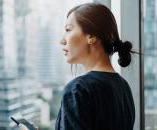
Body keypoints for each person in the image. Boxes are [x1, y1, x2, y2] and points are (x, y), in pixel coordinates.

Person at [55, 2, 135, 130]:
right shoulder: (123, 87)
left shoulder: (78, 89)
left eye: (68, 30)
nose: (62, 40)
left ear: (91, 36)